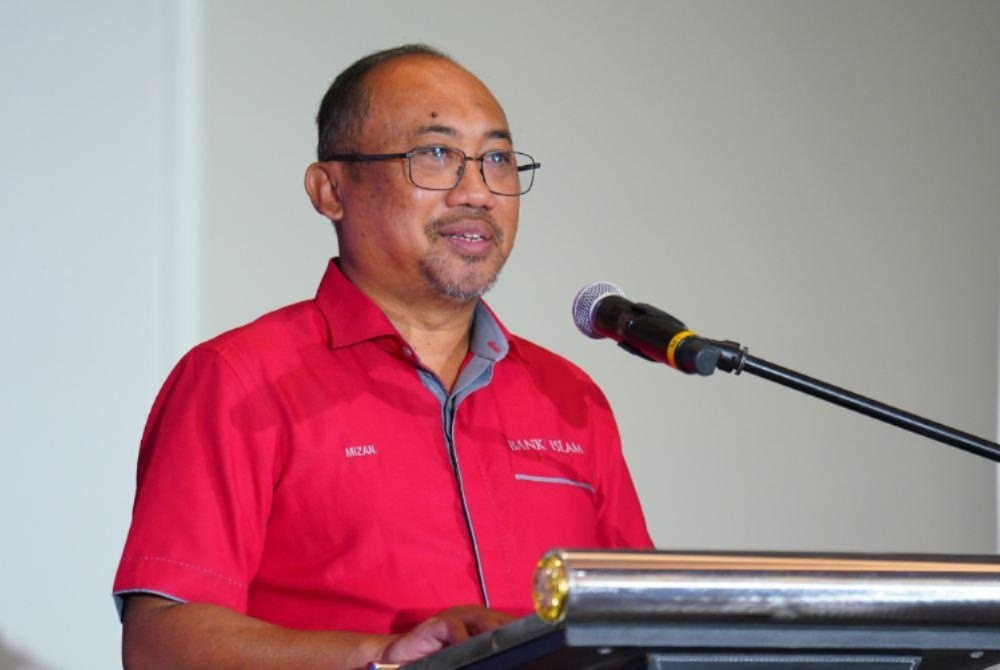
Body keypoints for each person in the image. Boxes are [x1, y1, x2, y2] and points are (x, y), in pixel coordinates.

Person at [114, 44, 653, 669]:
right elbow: (160, 645)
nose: (477, 191)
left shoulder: (568, 397)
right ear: (331, 190)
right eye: (435, 154)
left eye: (497, 160)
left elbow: (637, 623)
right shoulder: (239, 380)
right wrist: (381, 658)